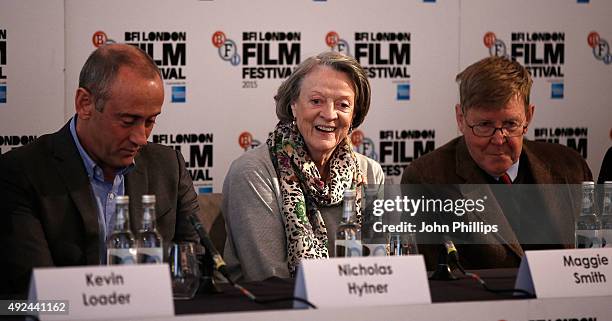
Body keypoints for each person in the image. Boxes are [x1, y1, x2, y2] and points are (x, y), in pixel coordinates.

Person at [0, 44, 199, 296]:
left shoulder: (169, 166)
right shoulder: (21, 173)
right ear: (85, 104)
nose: (141, 138)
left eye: (150, 122)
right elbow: (33, 293)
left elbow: (198, 267)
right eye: (128, 121)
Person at [401, 56, 592, 270]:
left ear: (528, 117)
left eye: (510, 124)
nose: (499, 139)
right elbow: (438, 282)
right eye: (484, 125)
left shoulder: (571, 167)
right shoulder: (427, 179)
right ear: (460, 119)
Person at [223, 52, 384, 281]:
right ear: (293, 106)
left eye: (343, 105)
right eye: (316, 101)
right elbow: (269, 278)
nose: (329, 114)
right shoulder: (253, 172)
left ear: (354, 115)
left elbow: (382, 270)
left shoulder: (369, 172)